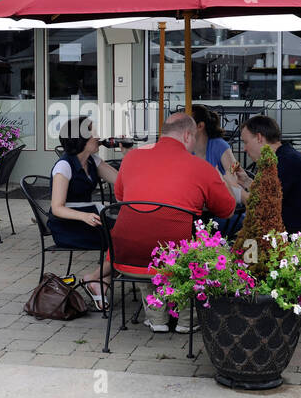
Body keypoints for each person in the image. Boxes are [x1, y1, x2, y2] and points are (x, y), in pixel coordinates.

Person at [111, 112, 237, 331]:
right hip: (176, 256)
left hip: (126, 254)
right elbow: (227, 210)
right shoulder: (201, 167)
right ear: (188, 136)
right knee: (197, 246)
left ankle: (157, 316)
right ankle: (187, 319)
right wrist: (224, 182)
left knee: (145, 235)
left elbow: (120, 198)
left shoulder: (131, 157)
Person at [48, 116, 121, 309]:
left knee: (131, 238)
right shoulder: (64, 166)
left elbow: (122, 181)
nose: (98, 136)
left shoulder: (92, 160)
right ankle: (97, 281)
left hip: (90, 220)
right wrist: (83, 216)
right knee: (122, 243)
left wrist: (128, 152)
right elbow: (57, 207)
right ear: (81, 138)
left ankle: (96, 280)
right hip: (68, 225)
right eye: (93, 132)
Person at [232, 114, 301, 234]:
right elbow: (269, 193)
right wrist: (246, 181)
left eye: (246, 142)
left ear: (259, 138)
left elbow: (261, 208)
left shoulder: (283, 162)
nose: (244, 149)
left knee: (226, 227)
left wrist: (236, 190)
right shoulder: (284, 155)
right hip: (300, 227)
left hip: (298, 236)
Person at [190, 104, 245, 237]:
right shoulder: (185, 148)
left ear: (200, 126)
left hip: (217, 208)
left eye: (187, 123)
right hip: (195, 207)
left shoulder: (218, 144)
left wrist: (229, 174)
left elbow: (235, 169)